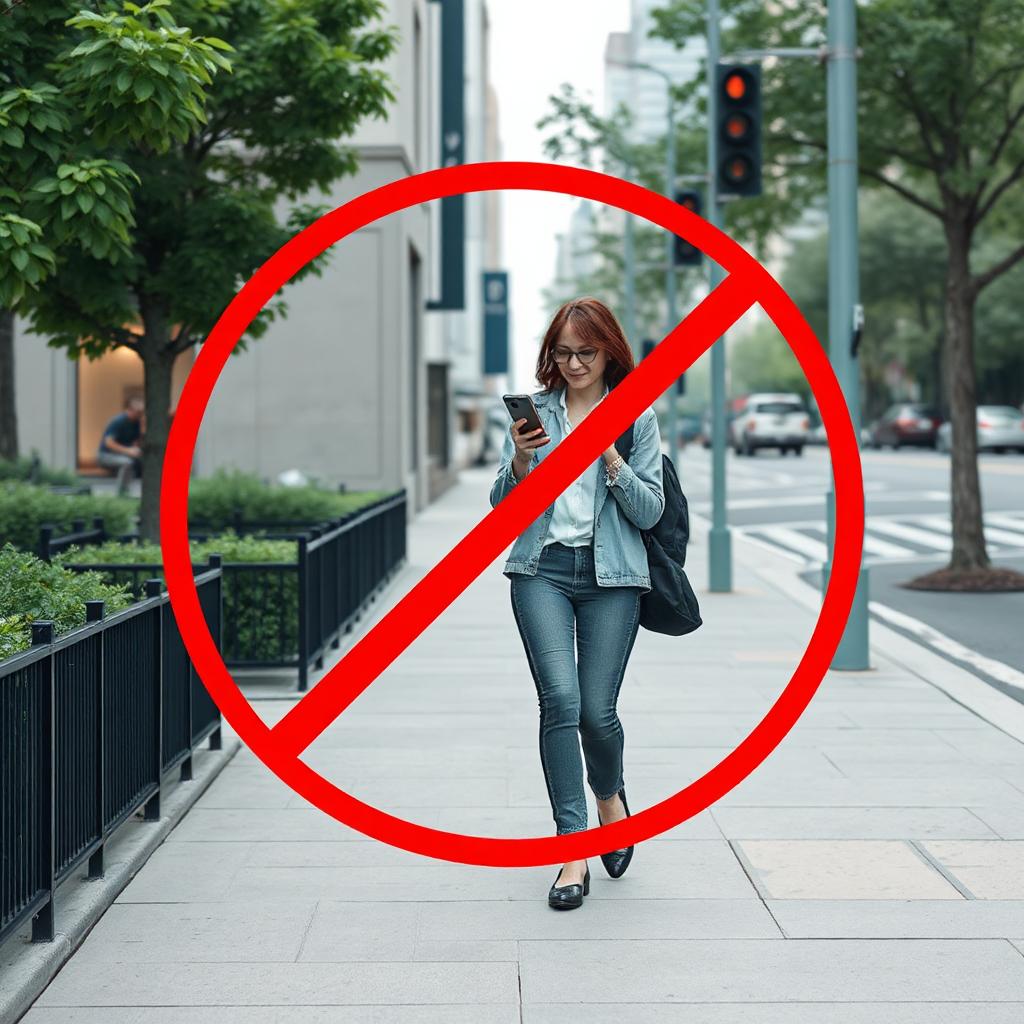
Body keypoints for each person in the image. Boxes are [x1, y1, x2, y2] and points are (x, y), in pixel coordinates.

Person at [489, 297, 664, 911]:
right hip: (541, 570)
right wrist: (522, 458)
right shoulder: (535, 413)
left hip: (612, 576)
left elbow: (649, 511)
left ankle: (610, 796)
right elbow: (501, 505)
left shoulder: (636, 417)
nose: (572, 363)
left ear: (608, 350)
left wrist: (608, 451)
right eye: (562, 353)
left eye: (585, 352)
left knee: (597, 712)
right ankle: (572, 846)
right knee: (559, 701)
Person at [97, 397, 144, 495]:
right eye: (138, 412)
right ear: (129, 410)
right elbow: (108, 443)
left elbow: (135, 442)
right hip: (105, 456)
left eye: (142, 412)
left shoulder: (137, 423)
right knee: (127, 463)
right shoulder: (118, 421)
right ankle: (122, 492)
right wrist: (128, 451)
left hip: (123, 455)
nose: (140, 415)